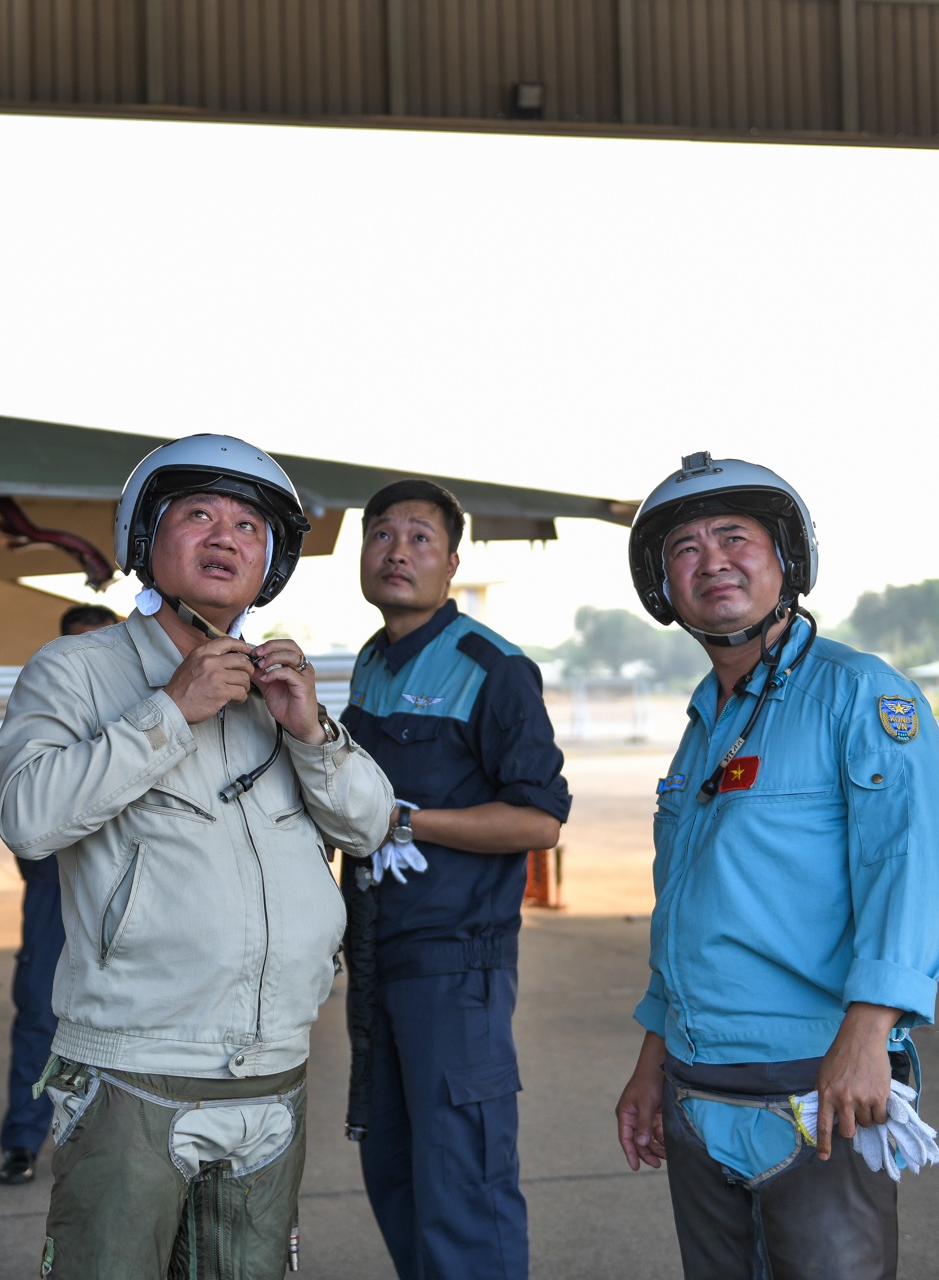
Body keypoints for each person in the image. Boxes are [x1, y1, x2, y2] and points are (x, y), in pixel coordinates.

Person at [0, 434, 394, 1279]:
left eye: (249, 526)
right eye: (199, 514)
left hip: (273, 1074)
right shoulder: (77, 672)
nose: (225, 538)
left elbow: (369, 826)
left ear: (271, 560)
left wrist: (312, 731)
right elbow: (27, 818)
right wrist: (170, 711)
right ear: (146, 537)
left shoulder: (278, 690)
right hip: (134, 1070)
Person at [613, 453, 939, 1280]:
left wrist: (870, 1032)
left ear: (786, 558)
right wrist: (652, 1061)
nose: (712, 561)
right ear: (665, 587)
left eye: (733, 537)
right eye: (686, 549)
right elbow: (689, 910)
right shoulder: (704, 724)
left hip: (817, 1094)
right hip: (698, 1094)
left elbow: (913, 868)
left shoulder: (859, 695)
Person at [339, 479, 571, 1280]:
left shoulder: (491, 669)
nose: (397, 552)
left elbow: (540, 820)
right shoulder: (373, 662)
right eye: (381, 534)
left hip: (454, 967)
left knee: (463, 1185)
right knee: (396, 1176)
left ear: (451, 564)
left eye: (420, 538)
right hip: (378, 959)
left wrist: (407, 822)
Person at [0, 603, 121, 1186]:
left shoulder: (145, 709)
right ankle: (23, 1140)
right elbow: (22, 806)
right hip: (55, 887)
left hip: (126, 881)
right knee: (37, 1013)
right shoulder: (46, 706)